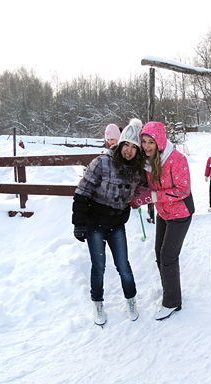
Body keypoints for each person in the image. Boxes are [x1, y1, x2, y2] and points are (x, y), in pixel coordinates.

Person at [72, 120, 145, 325]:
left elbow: (148, 185)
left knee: (123, 265)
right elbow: (82, 191)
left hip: (117, 224)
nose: (129, 151)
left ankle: (130, 299)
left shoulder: (137, 170)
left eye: (134, 147)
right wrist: (79, 223)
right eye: (126, 145)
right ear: (120, 144)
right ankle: (97, 302)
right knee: (99, 266)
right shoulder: (102, 162)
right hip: (95, 222)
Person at [132, 121, 195, 321]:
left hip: (181, 213)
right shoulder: (148, 161)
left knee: (168, 255)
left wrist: (153, 197)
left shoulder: (176, 159)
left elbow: (183, 189)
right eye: (144, 142)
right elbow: (146, 184)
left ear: (159, 140)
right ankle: (170, 290)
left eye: (151, 141)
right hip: (164, 213)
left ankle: (172, 302)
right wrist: (138, 192)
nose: (147, 146)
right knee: (159, 254)